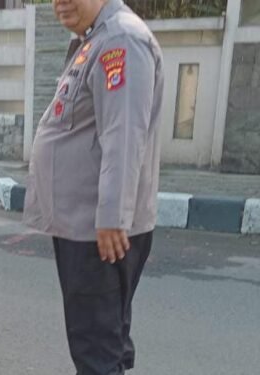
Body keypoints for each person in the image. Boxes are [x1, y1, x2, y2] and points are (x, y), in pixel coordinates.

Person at [23, 0, 164, 374]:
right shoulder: (96, 39)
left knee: (94, 350)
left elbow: (123, 134)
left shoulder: (121, 40)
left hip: (98, 231)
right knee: (105, 342)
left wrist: (112, 216)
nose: (60, 2)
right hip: (87, 227)